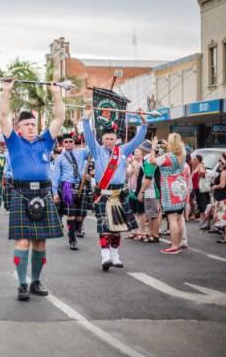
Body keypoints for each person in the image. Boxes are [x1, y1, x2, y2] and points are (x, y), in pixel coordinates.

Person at [0, 79, 65, 301]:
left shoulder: (45, 141)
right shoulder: (14, 142)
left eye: (33, 124)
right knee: (23, 241)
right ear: (19, 128)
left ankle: (36, 281)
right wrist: (6, 91)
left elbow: (59, 118)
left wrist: (56, 94)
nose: (31, 127)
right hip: (21, 193)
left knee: (40, 241)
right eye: (27, 124)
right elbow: (2, 117)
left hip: (43, 193)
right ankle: (22, 284)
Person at [82, 105, 147, 271]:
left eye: (112, 139)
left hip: (119, 194)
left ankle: (115, 255)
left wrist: (144, 122)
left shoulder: (123, 150)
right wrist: (86, 118)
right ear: (102, 139)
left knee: (117, 228)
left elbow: (138, 140)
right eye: (106, 139)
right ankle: (105, 257)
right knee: (105, 227)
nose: (109, 142)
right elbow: (89, 136)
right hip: (103, 193)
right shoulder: (96, 151)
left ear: (116, 139)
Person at [149, 134, 189, 255]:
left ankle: (175, 245)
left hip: (169, 187)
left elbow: (152, 161)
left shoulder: (168, 157)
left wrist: (153, 148)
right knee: (179, 218)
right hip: (181, 185)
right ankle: (179, 243)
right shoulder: (183, 154)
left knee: (172, 219)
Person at [51, 133, 91, 251]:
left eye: (71, 141)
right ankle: (72, 238)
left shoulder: (82, 152)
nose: (68, 144)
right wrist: (55, 193)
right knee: (71, 215)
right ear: (62, 144)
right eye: (66, 142)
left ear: (74, 142)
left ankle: (76, 229)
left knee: (80, 216)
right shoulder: (60, 158)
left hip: (81, 185)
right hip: (67, 187)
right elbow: (56, 176)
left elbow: (93, 150)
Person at [136, 140, 161, 243]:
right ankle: (151, 233)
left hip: (151, 191)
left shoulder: (149, 160)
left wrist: (141, 192)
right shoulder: (148, 159)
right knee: (150, 214)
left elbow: (148, 178)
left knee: (154, 214)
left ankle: (154, 235)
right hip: (150, 191)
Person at [191, 154, 210, 227]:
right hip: (196, 188)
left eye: (195, 159)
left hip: (200, 188)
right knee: (199, 203)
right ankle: (202, 218)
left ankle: (204, 219)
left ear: (198, 160)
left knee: (203, 203)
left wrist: (199, 176)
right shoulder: (195, 167)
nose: (193, 160)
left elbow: (203, 172)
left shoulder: (200, 166)